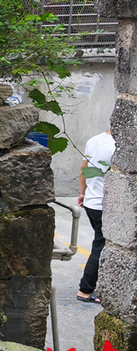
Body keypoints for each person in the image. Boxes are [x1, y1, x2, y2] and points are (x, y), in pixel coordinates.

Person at [76, 129, 115, 304]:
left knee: (102, 243)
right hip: (105, 205)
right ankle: (85, 290)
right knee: (100, 245)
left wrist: (83, 193)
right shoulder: (119, 146)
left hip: (92, 202)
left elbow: (84, 169)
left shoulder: (94, 140)